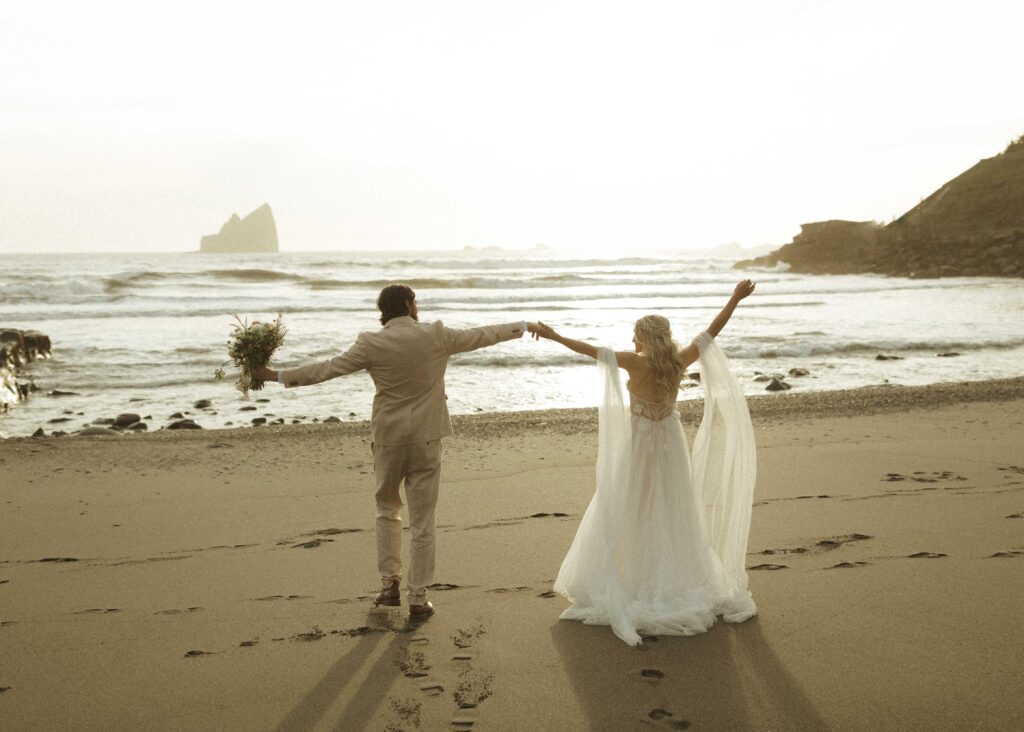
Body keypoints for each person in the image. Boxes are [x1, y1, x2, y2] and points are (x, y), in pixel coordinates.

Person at [254, 284, 533, 618]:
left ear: (384, 310)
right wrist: (525, 327)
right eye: (416, 303)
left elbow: (326, 369)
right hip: (427, 438)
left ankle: (390, 586)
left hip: (388, 438)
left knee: (387, 509)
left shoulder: (370, 343)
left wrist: (274, 375)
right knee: (423, 521)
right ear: (408, 304)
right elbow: (483, 335)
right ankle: (418, 596)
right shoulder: (436, 335)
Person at [529, 279, 758, 646]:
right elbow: (711, 332)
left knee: (630, 505)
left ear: (642, 337)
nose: (632, 338)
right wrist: (735, 297)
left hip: (639, 447)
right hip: (669, 442)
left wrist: (554, 335)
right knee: (672, 507)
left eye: (635, 333)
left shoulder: (633, 362)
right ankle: (670, 574)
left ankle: (632, 574)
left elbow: (588, 350)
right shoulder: (680, 360)